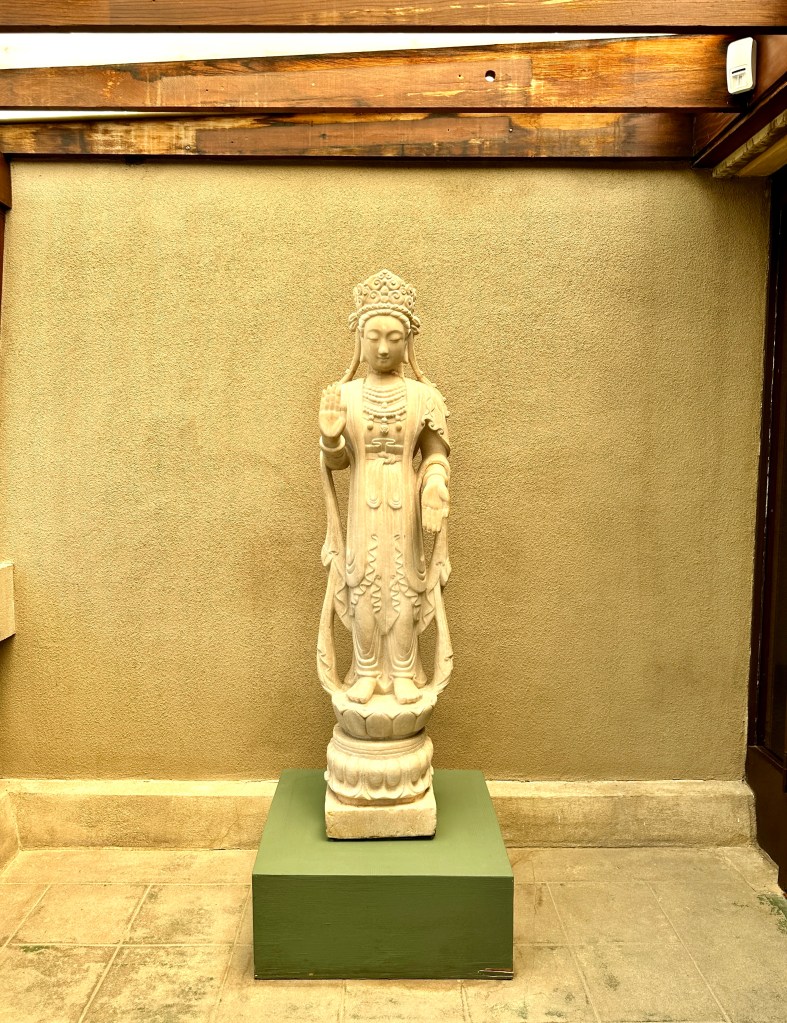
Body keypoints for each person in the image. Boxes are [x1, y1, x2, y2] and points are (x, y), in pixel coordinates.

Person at [317, 270, 452, 707]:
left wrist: (434, 481)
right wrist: (331, 438)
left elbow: (435, 454)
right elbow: (338, 462)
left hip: (404, 502)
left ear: (408, 342)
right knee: (363, 580)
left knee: (404, 582)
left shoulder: (424, 397)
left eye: (393, 338)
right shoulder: (346, 395)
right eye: (373, 336)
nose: (382, 347)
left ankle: (404, 671)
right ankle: (367, 670)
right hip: (363, 501)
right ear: (359, 339)